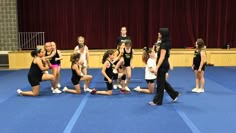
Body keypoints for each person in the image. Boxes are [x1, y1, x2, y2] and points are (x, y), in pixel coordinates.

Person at [149, 28, 180, 106]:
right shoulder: (166, 43)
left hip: (163, 65)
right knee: (162, 81)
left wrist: (157, 67)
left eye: (159, 33)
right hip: (165, 64)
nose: (158, 34)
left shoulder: (164, 45)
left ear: (162, 34)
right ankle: (174, 94)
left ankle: (157, 101)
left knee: (160, 84)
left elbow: (162, 57)